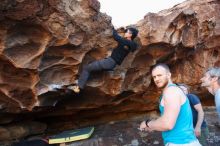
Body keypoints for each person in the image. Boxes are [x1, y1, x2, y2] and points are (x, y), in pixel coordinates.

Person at [139, 63, 201, 146]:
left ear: (168, 75)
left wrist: (147, 123)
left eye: (159, 75)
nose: (156, 79)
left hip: (181, 142)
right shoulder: (169, 92)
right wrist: (154, 126)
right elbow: (167, 118)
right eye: (154, 77)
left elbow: (167, 124)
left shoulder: (171, 92)